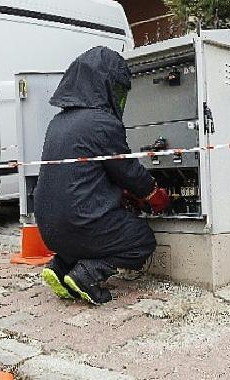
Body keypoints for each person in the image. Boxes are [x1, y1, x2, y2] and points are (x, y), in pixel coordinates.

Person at [34, 46, 170, 305]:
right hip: (81, 223)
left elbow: (83, 176)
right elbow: (127, 171)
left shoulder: (58, 123)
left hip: (49, 229)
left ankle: (59, 268)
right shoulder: (102, 122)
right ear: (104, 86)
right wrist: (154, 195)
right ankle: (88, 274)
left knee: (82, 233)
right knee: (141, 239)